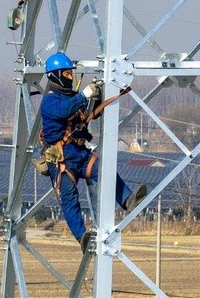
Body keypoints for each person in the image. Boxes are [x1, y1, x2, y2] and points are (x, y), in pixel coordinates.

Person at [38, 51, 148, 251]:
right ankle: (82, 236)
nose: (70, 77)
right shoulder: (49, 101)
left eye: (71, 74)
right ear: (55, 76)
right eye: (67, 74)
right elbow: (64, 110)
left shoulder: (72, 97)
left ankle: (127, 200)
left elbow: (87, 114)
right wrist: (84, 95)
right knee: (69, 199)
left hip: (80, 154)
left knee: (105, 171)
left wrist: (96, 97)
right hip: (62, 160)